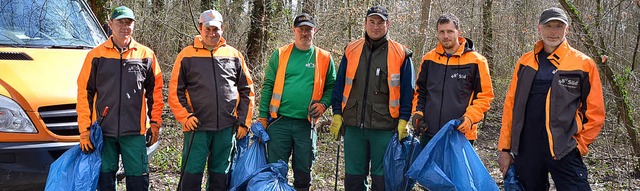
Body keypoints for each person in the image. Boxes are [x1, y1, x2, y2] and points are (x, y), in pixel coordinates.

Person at [497, 7, 605, 190]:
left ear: (567, 29)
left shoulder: (583, 64)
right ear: (539, 28)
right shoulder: (525, 62)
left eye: (559, 26)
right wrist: (505, 149)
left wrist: (580, 146)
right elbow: (511, 107)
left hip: (565, 150)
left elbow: (595, 113)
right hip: (527, 149)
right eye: (548, 26)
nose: (553, 32)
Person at [77, 6, 164, 191]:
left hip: (134, 132)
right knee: (105, 180)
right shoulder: (95, 56)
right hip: (103, 132)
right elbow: (84, 93)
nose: (125, 26)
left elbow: (156, 92)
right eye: (120, 22)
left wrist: (155, 123)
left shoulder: (146, 55)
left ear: (133, 25)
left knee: (138, 181)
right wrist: (84, 130)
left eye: (128, 22)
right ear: (110, 24)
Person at [329, 5, 414, 191]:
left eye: (380, 23)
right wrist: (336, 113)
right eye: (372, 22)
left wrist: (404, 120)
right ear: (365, 23)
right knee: (353, 179)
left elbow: (409, 92)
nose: (376, 27)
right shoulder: (351, 49)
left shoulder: (401, 54)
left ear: (388, 24)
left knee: (381, 180)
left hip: (384, 127)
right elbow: (340, 84)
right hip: (353, 126)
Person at [168, 9, 254, 191]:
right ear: (200, 28)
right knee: (191, 176)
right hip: (196, 128)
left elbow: (247, 91)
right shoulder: (186, 55)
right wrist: (186, 117)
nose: (212, 33)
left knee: (220, 176)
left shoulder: (234, 55)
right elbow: (175, 92)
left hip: (226, 128)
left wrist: (243, 123)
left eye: (216, 29)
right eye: (208, 29)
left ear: (222, 29)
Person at [256, 13, 336, 191]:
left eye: (308, 29)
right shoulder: (281, 54)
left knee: (303, 173)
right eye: (301, 29)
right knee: (275, 173)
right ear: (294, 30)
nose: (305, 33)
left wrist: (323, 104)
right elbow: (268, 85)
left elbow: (333, 87)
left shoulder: (324, 57)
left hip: (306, 125)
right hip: (279, 122)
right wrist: (262, 116)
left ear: (314, 31)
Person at [412, 13, 494, 146]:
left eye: (450, 31)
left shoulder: (477, 61)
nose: (445, 36)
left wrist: (469, 118)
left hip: (460, 134)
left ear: (458, 32)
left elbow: (485, 96)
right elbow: (420, 91)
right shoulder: (428, 59)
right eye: (442, 32)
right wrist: (418, 112)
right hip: (429, 132)